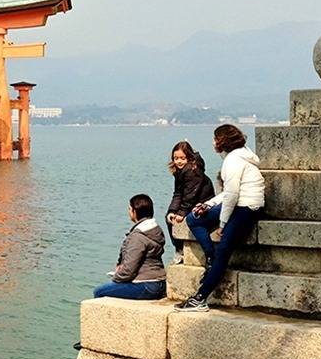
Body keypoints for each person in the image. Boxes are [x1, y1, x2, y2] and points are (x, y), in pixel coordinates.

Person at [176, 124, 265, 312]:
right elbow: (228, 194)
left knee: (224, 249)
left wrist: (223, 223)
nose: (213, 142)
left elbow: (232, 195)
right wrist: (208, 204)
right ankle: (210, 256)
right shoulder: (240, 155)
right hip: (237, 203)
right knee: (194, 219)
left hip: (247, 208)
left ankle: (200, 297)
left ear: (222, 141)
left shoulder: (233, 161)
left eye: (215, 138)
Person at [92, 194, 167, 300]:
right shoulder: (155, 230)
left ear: (134, 212)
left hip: (147, 285)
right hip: (160, 282)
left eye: (129, 209)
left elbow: (128, 271)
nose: (128, 212)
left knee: (99, 291)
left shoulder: (138, 237)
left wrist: (115, 278)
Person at [165, 141, 215, 265]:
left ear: (189, 158)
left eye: (182, 158)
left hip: (202, 202)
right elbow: (178, 194)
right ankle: (179, 248)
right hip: (192, 201)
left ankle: (181, 250)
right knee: (168, 218)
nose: (179, 161)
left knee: (180, 219)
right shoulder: (179, 172)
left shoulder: (193, 171)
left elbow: (191, 195)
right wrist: (172, 211)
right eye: (176, 158)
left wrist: (181, 212)